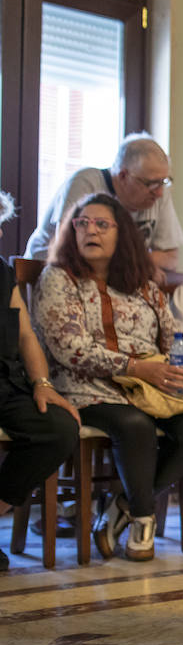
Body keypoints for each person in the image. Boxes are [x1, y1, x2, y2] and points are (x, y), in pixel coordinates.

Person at [32, 194, 183, 563]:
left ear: (124, 235)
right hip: (85, 388)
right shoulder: (58, 278)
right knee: (134, 426)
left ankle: (122, 505)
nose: (90, 230)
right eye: (81, 223)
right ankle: (142, 520)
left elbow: (170, 341)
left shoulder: (145, 287)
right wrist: (137, 368)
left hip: (149, 389)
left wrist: (175, 369)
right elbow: (69, 347)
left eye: (101, 224)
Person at [0, 192, 81, 572]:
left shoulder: (2, 273)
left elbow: (26, 335)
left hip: (6, 381)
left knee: (59, 427)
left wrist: (42, 382)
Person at [25, 133, 183, 283]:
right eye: (151, 183)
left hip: (112, 281)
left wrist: (133, 262)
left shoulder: (157, 195)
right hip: (48, 278)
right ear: (123, 176)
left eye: (163, 182)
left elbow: (171, 258)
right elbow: (72, 250)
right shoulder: (85, 183)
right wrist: (140, 263)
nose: (159, 192)